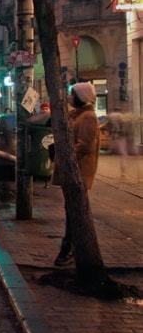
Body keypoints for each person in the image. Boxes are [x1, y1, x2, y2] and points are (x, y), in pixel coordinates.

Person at [54, 80, 101, 268]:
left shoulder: (88, 117)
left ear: (81, 98)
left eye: (73, 95)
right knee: (70, 209)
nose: (70, 97)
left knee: (75, 211)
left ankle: (69, 249)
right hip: (72, 169)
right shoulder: (75, 115)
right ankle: (69, 247)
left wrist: (67, 151)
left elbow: (86, 145)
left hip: (79, 170)